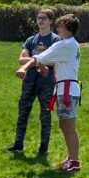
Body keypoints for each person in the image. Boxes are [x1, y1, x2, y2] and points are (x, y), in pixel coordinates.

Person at [18, 13, 81, 172]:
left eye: (60, 26)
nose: (58, 29)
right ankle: (71, 158)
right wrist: (41, 66)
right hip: (65, 89)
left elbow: (39, 58)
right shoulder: (69, 44)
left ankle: (74, 162)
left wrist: (23, 68)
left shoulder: (65, 44)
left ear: (68, 28)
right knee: (64, 125)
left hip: (66, 90)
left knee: (69, 127)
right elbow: (45, 60)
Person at [6, 10, 60, 157]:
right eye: (38, 18)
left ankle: (43, 148)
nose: (40, 20)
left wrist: (33, 59)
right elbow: (21, 60)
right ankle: (18, 144)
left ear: (50, 21)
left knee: (45, 115)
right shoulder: (31, 40)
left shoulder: (56, 40)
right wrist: (40, 60)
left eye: (44, 18)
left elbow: (54, 61)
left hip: (46, 82)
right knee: (23, 112)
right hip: (29, 81)